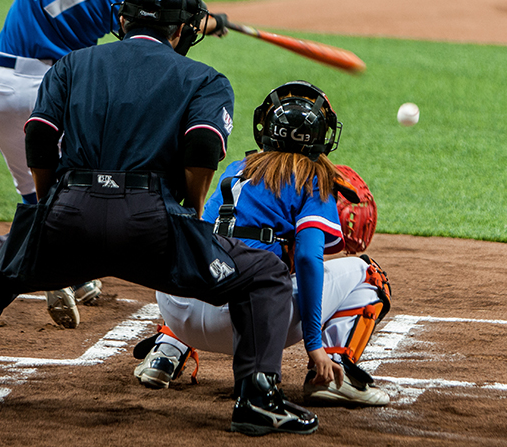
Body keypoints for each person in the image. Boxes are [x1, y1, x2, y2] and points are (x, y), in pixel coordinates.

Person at [0, 0, 319, 435]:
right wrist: (191, 214)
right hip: (152, 226)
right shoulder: (205, 79)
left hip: (68, 218)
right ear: (180, 31)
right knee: (263, 275)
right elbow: (202, 148)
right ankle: (257, 398)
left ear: (122, 19)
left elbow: (38, 137)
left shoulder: (73, 63)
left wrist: (45, 207)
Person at [0, 0, 223, 329]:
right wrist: (210, 23)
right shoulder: (116, 0)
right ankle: (65, 269)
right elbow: (155, 33)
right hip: (47, 89)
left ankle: (70, 272)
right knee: (95, 179)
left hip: (0, 90)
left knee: (37, 194)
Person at [133, 82, 392, 407]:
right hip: (248, 324)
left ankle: (166, 351)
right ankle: (331, 373)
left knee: (213, 254)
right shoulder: (313, 179)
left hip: (177, 309)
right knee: (368, 273)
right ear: (321, 137)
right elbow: (310, 260)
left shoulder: (236, 170)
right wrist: (314, 343)